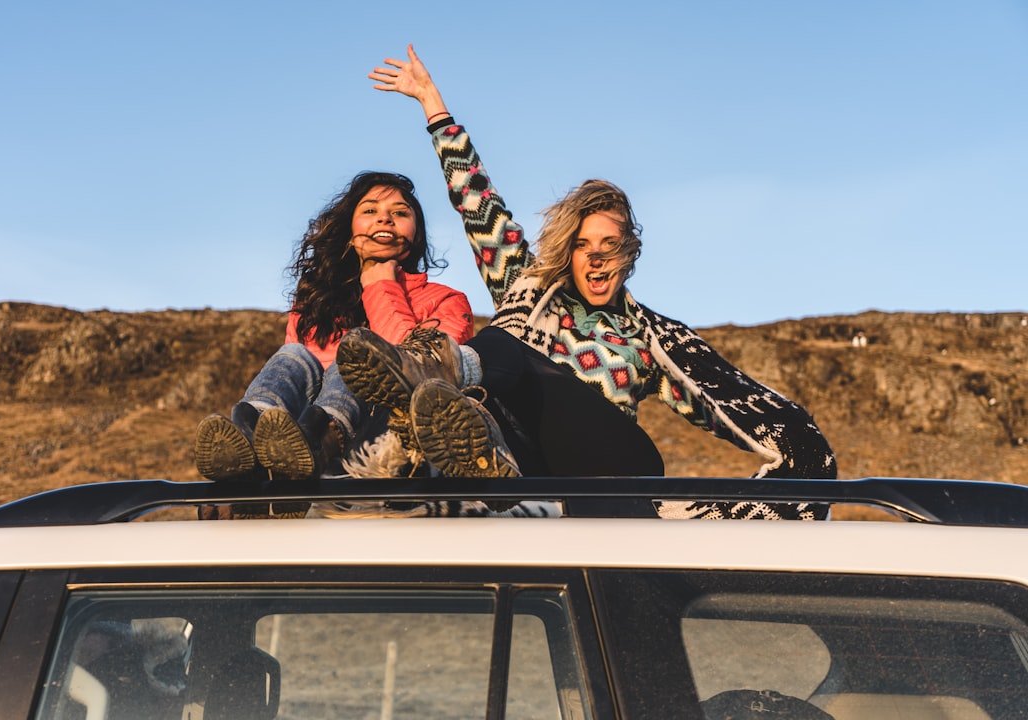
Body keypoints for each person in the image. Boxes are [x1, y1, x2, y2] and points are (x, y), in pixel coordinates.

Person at [338, 46, 837, 519]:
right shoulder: (528, 285)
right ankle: (466, 456)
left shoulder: (649, 337)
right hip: (535, 468)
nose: (595, 260)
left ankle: (437, 366)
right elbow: (478, 203)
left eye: (610, 247)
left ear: (630, 255)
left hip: (612, 467)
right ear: (568, 253)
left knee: (500, 346)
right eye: (582, 246)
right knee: (505, 342)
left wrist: (714, 515)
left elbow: (755, 411)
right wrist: (433, 105)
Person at [193, 170, 476, 482]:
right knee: (292, 356)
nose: (384, 219)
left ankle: (323, 437)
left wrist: (381, 286)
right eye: (370, 211)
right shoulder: (315, 302)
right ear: (350, 231)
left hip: (382, 441)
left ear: (416, 234)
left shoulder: (447, 301)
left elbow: (422, 374)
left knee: (356, 353)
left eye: (399, 213)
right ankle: (249, 442)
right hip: (293, 438)